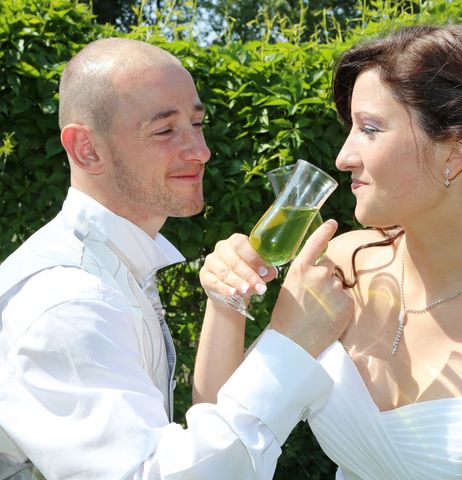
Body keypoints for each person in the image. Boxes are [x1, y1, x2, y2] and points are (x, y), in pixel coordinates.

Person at [199, 24, 462, 479]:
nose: (343, 156)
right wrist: (226, 301)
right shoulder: (340, 270)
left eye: (369, 128)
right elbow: (217, 438)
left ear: (455, 152)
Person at [0, 37, 353, 479]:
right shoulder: (68, 301)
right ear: (87, 149)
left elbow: (188, 437)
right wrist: (290, 344)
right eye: (165, 131)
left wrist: (226, 307)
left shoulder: (114, 269)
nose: (201, 152)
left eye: (197, 124)